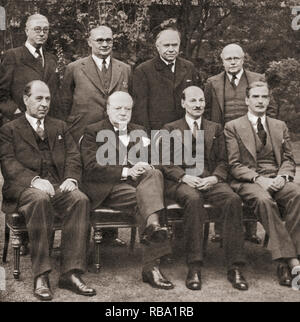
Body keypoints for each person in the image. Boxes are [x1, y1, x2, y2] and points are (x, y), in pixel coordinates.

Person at [0, 80, 96, 301]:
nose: (44, 104)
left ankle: (71, 273)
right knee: (40, 199)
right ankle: (41, 275)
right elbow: (8, 163)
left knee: (79, 199)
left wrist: (71, 178)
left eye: (47, 99)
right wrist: (33, 180)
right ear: (25, 100)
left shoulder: (59, 126)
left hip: (56, 186)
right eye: (38, 98)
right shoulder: (9, 130)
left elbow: (73, 155)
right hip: (24, 189)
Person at [80, 91, 174, 290]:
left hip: (136, 187)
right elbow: (90, 167)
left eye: (127, 109)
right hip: (108, 188)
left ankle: (153, 226)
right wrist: (126, 171)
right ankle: (152, 266)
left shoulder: (138, 130)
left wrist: (145, 164)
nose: (123, 113)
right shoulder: (92, 131)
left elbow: (154, 159)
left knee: (155, 175)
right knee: (151, 201)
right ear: (107, 109)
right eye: (118, 108)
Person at [161, 85, 248, 291]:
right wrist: (183, 177)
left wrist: (215, 178)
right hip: (181, 182)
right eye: (192, 100)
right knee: (193, 200)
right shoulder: (170, 128)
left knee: (232, 200)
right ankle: (194, 266)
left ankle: (234, 266)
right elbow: (164, 162)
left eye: (201, 100)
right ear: (183, 103)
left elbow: (223, 160)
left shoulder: (215, 128)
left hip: (209, 180)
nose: (198, 104)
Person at [224, 81, 300, 288]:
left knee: (297, 194)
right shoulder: (233, 127)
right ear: (247, 100)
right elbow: (234, 164)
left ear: (268, 100)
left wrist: (282, 177)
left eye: (264, 97)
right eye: (255, 97)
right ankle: (287, 262)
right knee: (263, 199)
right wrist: (259, 179)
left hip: (276, 177)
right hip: (248, 180)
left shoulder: (279, 125)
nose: (260, 101)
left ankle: (288, 256)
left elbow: (288, 159)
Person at [60, 25, 131, 246]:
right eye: (99, 40)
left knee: (110, 175)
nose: (104, 44)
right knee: (85, 182)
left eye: (108, 40)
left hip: (113, 134)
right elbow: (63, 104)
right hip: (83, 132)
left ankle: (109, 233)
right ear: (89, 42)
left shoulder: (125, 69)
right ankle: (78, 239)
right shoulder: (74, 68)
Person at [204, 43, 278, 244]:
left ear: (243, 59)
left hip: (252, 139)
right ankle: (220, 230)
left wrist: (262, 134)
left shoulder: (257, 79)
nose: (233, 62)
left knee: (251, 176)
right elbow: (208, 113)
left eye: (236, 58)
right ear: (222, 60)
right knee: (225, 181)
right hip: (223, 140)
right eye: (228, 59)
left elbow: (270, 110)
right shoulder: (213, 82)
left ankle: (251, 230)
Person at [132, 26, 199, 133]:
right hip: (158, 132)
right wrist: (145, 136)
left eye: (175, 45)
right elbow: (140, 110)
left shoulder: (189, 67)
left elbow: (197, 101)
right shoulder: (143, 70)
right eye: (166, 45)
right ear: (158, 47)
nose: (171, 49)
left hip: (185, 131)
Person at [0, 14, 59, 123]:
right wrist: (16, 113)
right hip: (20, 123)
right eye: (37, 29)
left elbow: (55, 93)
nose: (42, 33)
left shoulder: (52, 59)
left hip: (48, 123)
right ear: (27, 31)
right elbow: (2, 93)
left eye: (45, 30)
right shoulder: (13, 56)